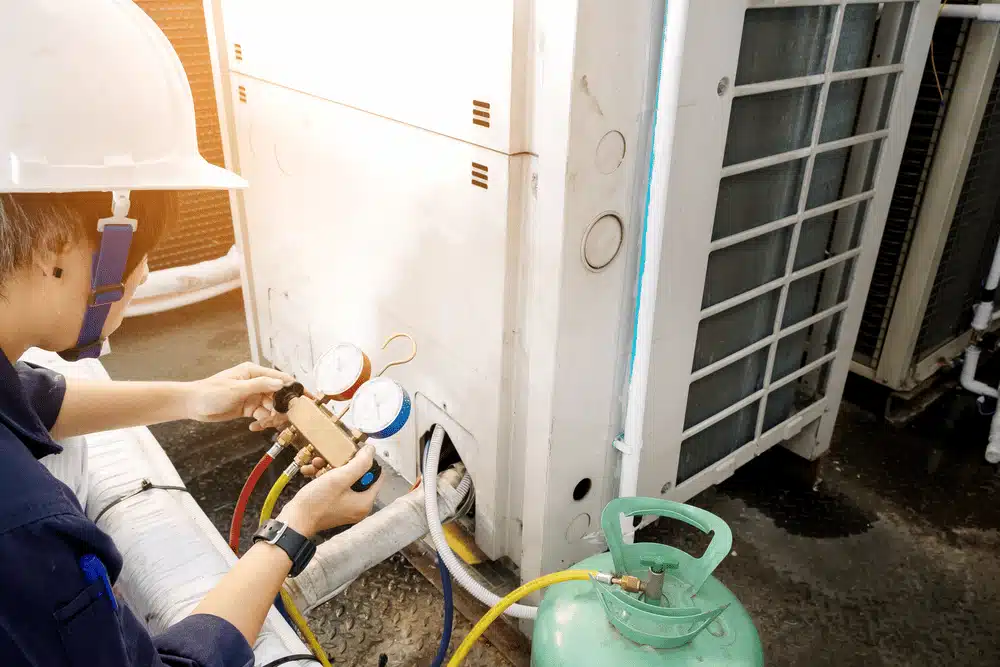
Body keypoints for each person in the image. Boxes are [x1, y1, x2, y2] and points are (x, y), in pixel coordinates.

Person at [0, 1, 383, 665]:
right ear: (57, 246)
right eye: (139, 249)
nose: (145, 274)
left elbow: (28, 400)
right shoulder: (28, 529)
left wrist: (192, 395)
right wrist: (293, 530)